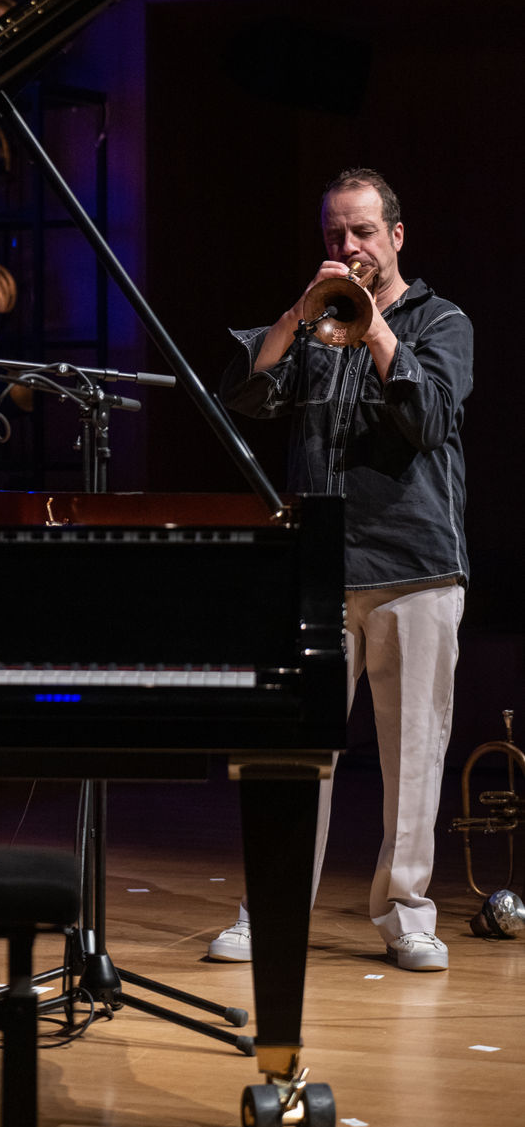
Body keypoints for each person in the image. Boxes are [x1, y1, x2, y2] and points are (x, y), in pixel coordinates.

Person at [210, 168, 471, 973]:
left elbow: (429, 418)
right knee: (296, 751)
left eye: (361, 231)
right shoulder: (315, 324)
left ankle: (406, 914)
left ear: (395, 236)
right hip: (320, 564)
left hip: (414, 565)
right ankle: (271, 907)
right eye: (333, 233)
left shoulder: (441, 320)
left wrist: (374, 328)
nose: (347, 246)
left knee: (413, 753)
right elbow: (245, 395)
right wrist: (300, 313)